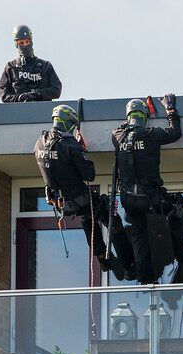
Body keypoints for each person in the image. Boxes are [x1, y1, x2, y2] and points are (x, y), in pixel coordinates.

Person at [35, 105, 135, 279]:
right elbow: (89, 175)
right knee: (107, 212)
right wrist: (82, 153)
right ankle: (129, 262)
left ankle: (103, 260)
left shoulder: (39, 143)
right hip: (79, 198)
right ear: (67, 123)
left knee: (88, 218)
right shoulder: (70, 145)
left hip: (60, 204)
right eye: (72, 125)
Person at [111, 94, 183, 285]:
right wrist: (170, 110)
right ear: (145, 117)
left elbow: (124, 132)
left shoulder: (117, 137)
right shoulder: (152, 135)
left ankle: (144, 279)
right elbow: (175, 133)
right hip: (151, 198)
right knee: (176, 211)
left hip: (129, 199)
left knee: (139, 236)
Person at [0, 25, 62, 103]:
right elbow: (4, 95)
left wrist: (36, 94)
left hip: (43, 111)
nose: (25, 45)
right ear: (16, 44)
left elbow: (56, 90)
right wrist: (20, 98)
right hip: (18, 112)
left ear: (31, 42)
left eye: (27, 42)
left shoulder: (45, 66)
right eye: (21, 43)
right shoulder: (11, 68)